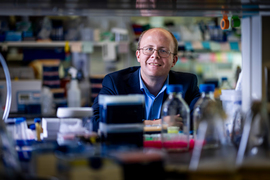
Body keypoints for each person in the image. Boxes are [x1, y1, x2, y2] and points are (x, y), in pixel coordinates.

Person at [91, 27, 201, 132]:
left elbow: (200, 119)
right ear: (138, 55)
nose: (155, 55)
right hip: (128, 150)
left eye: (163, 51)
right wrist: (156, 124)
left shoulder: (187, 83)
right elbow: (95, 121)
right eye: (149, 49)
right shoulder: (115, 82)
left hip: (169, 149)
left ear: (174, 60)